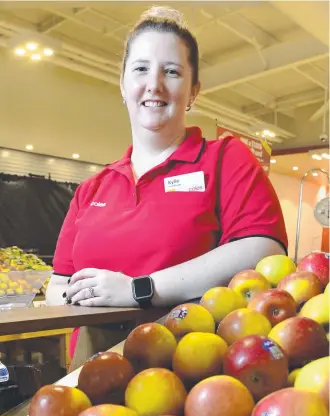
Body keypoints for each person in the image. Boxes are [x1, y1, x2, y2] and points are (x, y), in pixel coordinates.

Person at [46, 5, 288, 352]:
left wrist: (138, 289)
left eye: (171, 72)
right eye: (141, 69)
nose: (154, 84)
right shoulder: (92, 189)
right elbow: (59, 284)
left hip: (192, 371)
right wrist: (91, 296)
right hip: (89, 375)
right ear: (123, 84)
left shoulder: (225, 159)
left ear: (193, 91)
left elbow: (263, 247)